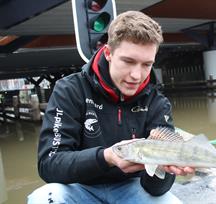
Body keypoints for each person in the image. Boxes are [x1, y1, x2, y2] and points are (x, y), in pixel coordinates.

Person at [27, 11, 194, 204]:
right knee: (43, 198)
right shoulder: (70, 90)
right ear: (108, 53)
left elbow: (156, 190)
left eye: (146, 64)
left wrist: (162, 169)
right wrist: (107, 157)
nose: (136, 76)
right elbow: (50, 164)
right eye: (129, 61)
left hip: (133, 187)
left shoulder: (157, 102)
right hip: (79, 187)